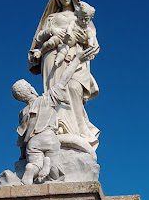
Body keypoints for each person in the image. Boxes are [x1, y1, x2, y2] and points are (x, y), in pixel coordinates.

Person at [28, 0, 100, 149]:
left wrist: (84, 40)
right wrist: (52, 30)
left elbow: (93, 42)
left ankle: (78, 131)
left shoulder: (81, 16)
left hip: (77, 57)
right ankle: (56, 126)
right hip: (52, 56)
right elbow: (39, 37)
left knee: (74, 88)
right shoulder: (52, 17)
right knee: (55, 92)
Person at [12, 48, 94, 185]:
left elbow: (21, 138)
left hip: (33, 143)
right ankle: (49, 166)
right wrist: (77, 60)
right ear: (31, 89)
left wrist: (23, 156)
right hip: (49, 138)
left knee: (34, 164)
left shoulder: (23, 113)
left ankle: (33, 168)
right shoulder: (46, 99)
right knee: (55, 170)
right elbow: (64, 79)